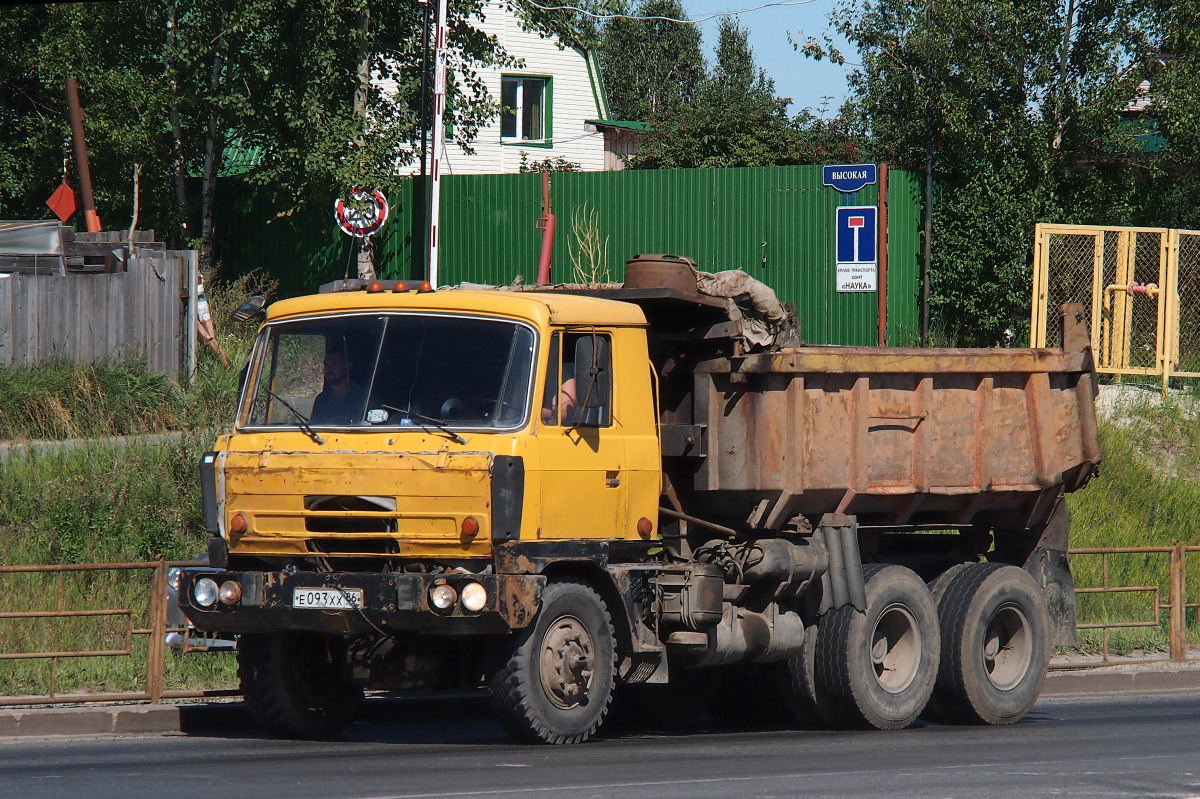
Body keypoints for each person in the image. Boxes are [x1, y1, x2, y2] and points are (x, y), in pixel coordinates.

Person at [310, 351, 368, 425]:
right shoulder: (321, 400)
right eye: (326, 364)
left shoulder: (364, 397)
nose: (328, 368)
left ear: (348, 366)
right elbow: (315, 428)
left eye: (333, 364)